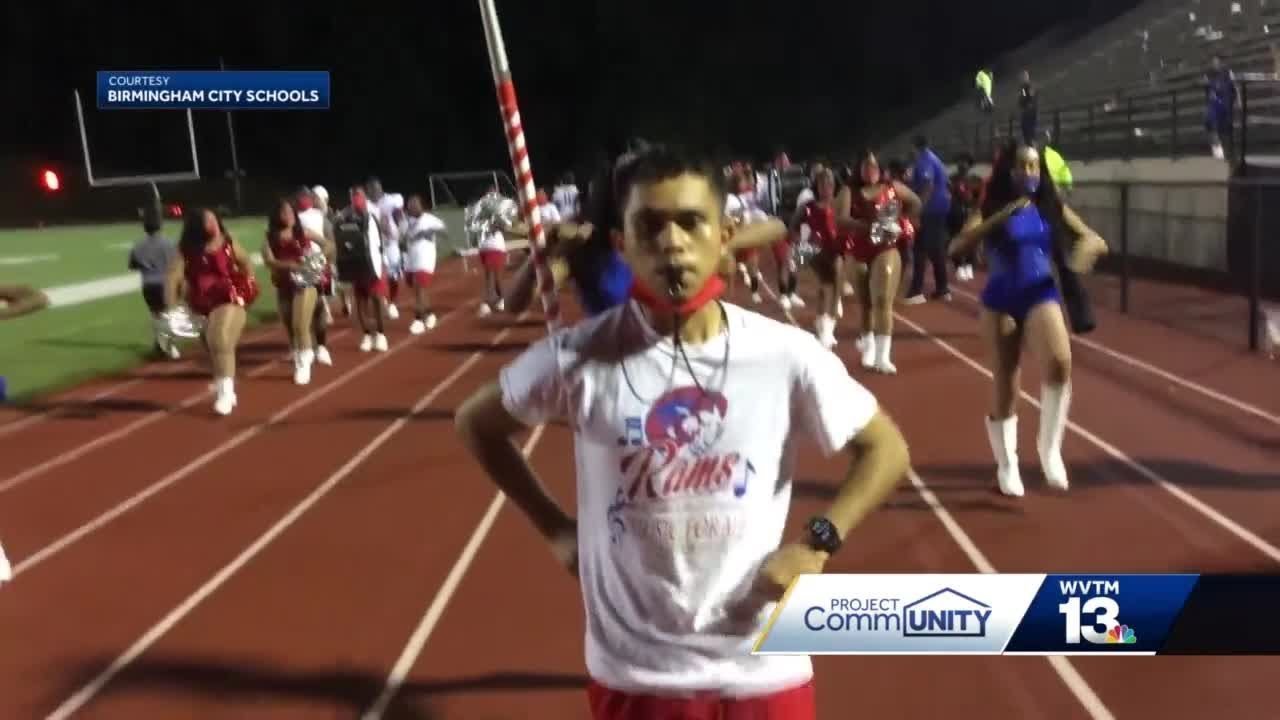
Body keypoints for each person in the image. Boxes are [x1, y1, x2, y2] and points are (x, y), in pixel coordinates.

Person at [455, 143, 910, 719]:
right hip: (638, 675)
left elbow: (886, 449)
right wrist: (554, 529)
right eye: (650, 227)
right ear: (622, 246)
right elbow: (477, 425)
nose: (671, 242)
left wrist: (818, 542)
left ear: (724, 237)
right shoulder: (577, 358)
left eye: (691, 223)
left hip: (763, 668)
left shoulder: (785, 354)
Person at [948, 142, 1107, 497]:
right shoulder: (988, 208)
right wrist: (1002, 216)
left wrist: (1083, 255)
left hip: (1040, 292)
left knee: (1060, 362)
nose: (1029, 173)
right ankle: (1007, 464)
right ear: (1009, 170)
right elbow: (956, 247)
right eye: (1023, 166)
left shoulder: (1050, 206)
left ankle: (1049, 450)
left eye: (1035, 166)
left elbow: (1093, 239)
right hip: (1000, 299)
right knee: (1007, 382)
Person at [164, 208, 259, 416]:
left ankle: (226, 393)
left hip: (228, 295)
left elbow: (246, 262)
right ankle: (223, 381)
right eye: (207, 221)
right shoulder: (186, 250)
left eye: (214, 219)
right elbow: (173, 277)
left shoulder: (228, 241)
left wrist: (249, 284)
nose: (213, 223)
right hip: (200, 302)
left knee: (220, 338)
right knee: (210, 345)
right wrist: (171, 309)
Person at [836, 150, 921, 374]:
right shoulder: (848, 191)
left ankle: (884, 356)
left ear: (880, 169)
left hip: (886, 248)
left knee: (883, 300)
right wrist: (867, 226)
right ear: (859, 169)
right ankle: (869, 346)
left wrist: (902, 221)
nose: (870, 171)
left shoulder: (892, 188)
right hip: (858, 249)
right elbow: (840, 220)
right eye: (866, 166)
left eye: (874, 166)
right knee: (865, 303)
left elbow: (915, 202)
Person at [261, 198, 334, 385]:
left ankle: (303, 364)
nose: (289, 216)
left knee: (300, 323)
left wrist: (317, 258)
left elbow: (329, 245)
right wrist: (290, 265)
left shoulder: (303, 232)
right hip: (284, 284)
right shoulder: (270, 237)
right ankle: (300, 350)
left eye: (291, 212)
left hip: (306, 282)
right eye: (284, 212)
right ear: (276, 216)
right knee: (288, 322)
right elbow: (269, 261)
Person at [333, 187, 389, 352]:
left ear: (364, 196)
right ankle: (366, 334)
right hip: (356, 263)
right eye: (354, 195)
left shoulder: (374, 212)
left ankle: (380, 333)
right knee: (361, 301)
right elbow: (339, 233)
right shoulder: (345, 214)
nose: (356, 198)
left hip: (375, 263)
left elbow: (381, 234)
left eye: (359, 195)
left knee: (377, 299)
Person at [127, 203, 180, 359]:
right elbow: (177, 263)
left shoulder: (138, 246)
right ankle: (169, 346)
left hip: (149, 284)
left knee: (156, 315)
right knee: (168, 314)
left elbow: (132, 266)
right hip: (166, 283)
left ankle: (160, 344)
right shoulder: (170, 244)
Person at [903, 136, 952, 305]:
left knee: (920, 249)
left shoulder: (924, 160)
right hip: (939, 207)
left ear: (915, 147)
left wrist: (918, 208)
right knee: (934, 249)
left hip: (931, 209)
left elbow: (927, 185)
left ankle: (917, 290)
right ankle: (942, 287)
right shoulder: (933, 158)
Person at [296, 188, 335, 367]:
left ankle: (320, 347)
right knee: (304, 309)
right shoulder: (293, 217)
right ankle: (307, 347)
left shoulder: (319, 216)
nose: (303, 200)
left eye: (305, 196)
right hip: (299, 268)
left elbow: (330, 239)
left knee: (317, 307)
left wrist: (331, 263)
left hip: (317, 266)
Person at [402, 194, 447, 334]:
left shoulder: (429, 219)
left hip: (425, 258)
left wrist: (430, 231)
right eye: (410, 204)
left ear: (422, 206)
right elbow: (402, 238)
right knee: (416, 289)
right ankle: (429, 314)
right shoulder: (406, 221)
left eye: (415, 203)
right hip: (410, 259)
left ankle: (418, 319)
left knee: (419, 286)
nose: (412, 206)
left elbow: (444, 231)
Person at [948, 154, 982, 282]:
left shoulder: (975, 180)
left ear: (969, 165)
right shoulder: (952, 179)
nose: (962, 164)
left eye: (965, 162)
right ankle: (959, 266)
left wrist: (974, 208)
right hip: (954, 215)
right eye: (960, 161)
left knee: (970, 242)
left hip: (969, 216)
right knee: (955, 241)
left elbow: (978, 198)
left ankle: (968, 265)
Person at [1205, 54, 1239, 161]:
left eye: (1217, 62)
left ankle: (1231, 152)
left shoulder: (1228, 72)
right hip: (1216, 104)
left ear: (1220, 62)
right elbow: (1208, 91)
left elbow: (1235, 86)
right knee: (1213, 126)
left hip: (1227, 103)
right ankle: (1219, 152)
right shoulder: (1209, 75)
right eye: (1213, 62)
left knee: (1228, 128)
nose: (1215, 64)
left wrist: (1238, 100)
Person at [1018, 69, 1038, 145]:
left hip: (1031, 112)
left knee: (1030, 131)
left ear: (1027, 77)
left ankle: (1032, 146)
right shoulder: (1023, 88)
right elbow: (1022, 98)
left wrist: (1026, 104)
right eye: (1021, 77)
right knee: (1025, 130)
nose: (1022, 79)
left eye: (1023, 77)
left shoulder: (1030, 86)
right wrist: (1021, 103)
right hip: (1026, 112)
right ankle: (1028, 145)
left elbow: (1031, 98)